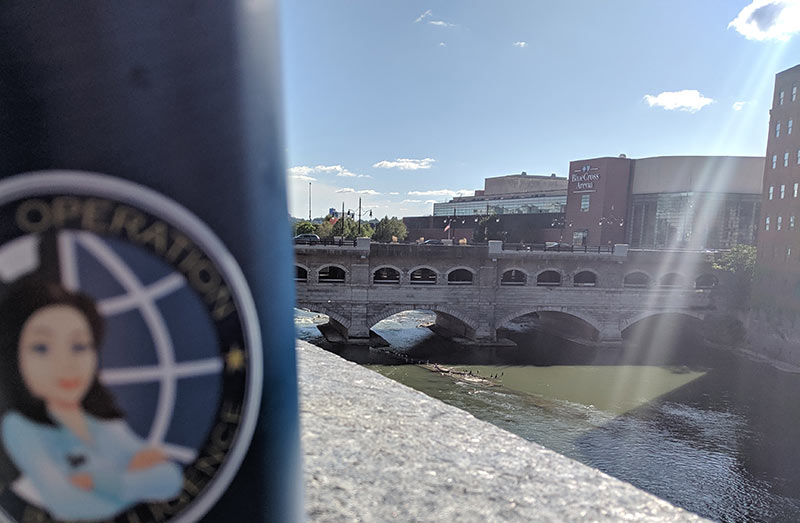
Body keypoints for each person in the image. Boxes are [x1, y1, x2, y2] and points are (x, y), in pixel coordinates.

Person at [0, 278, 183, 521]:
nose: (66, 364)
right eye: (42, 348)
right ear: (14, 357)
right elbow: (67, 504)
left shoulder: (106, 423)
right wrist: (136, 477)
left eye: (79, 346)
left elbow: (170, 479)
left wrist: (100, 482)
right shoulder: (20, 427)